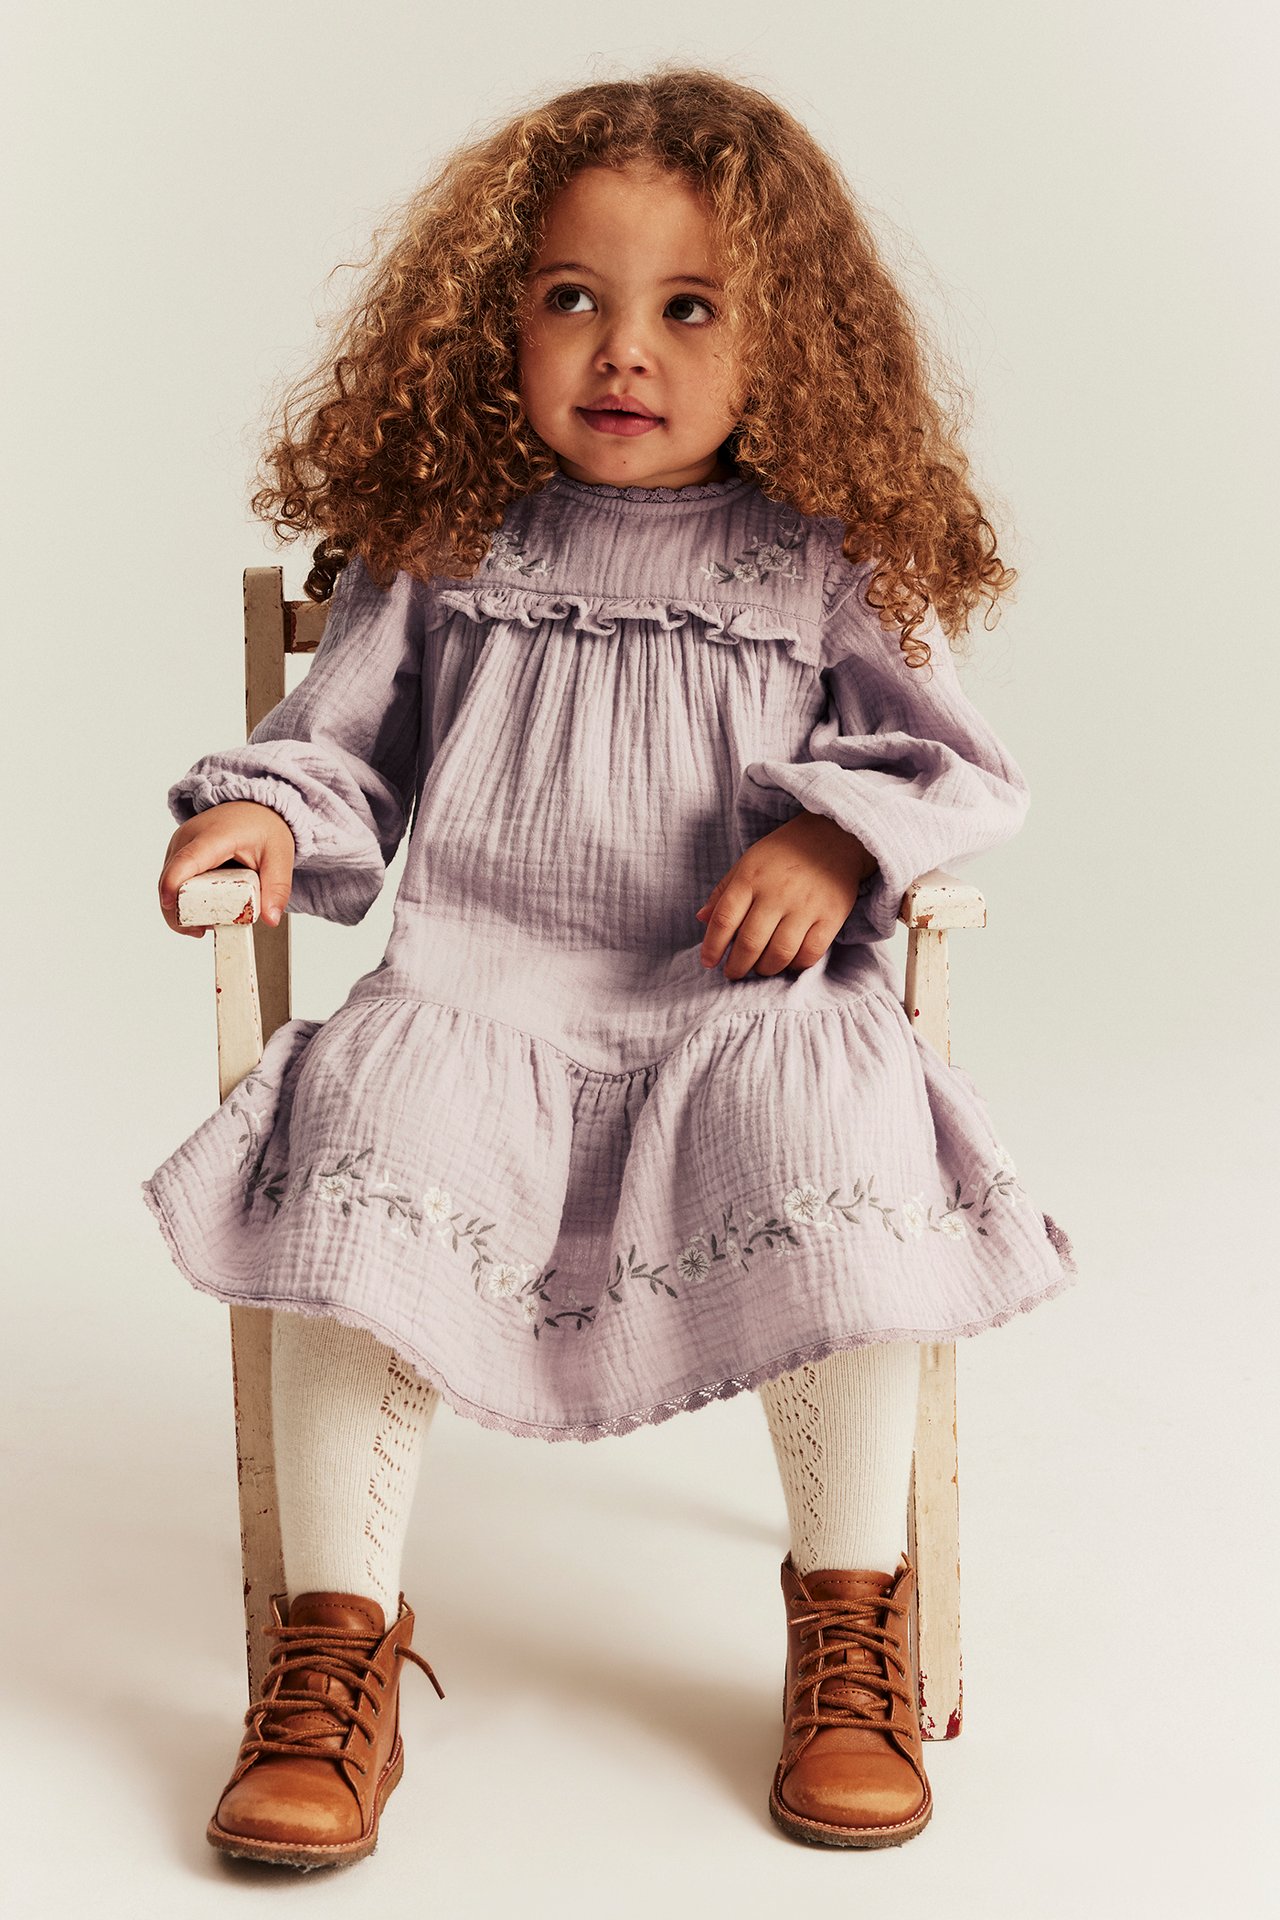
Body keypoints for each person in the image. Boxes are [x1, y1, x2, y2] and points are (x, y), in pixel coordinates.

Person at [143, 64, 1078, 1867]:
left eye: (687, 307)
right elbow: (338, 746)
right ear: (495, 320)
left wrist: (835, 836)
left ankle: (847, 1612)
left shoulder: (822, 561)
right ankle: (333, 1644)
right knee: (369, 1144)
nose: (621, 349)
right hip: (482, 991)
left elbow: (963, 771)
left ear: (783, 341)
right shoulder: (445, 547)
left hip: (733, 1004)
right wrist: (267, 817)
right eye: (572, 297)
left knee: (839, 1131)